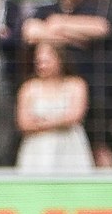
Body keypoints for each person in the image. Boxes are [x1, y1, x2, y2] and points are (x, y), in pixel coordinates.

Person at [16, 41, 97, 170]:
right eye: (39, 62)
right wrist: (59, 121)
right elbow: (24, 123)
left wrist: (42, 122)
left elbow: (75, 116)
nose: (42, 65)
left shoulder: (76, 84)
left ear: (60, 59)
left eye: (46, 61)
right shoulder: (28, 88)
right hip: (38, 150)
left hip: (70, 149)